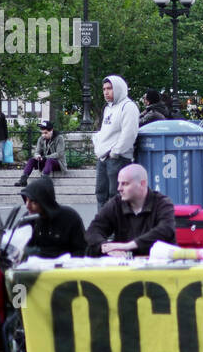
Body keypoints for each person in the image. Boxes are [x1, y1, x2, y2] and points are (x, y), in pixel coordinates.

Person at [86, 163, 176, 256]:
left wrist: (127, 246)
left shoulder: (162, 203)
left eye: (125, 184)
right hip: (123, 266)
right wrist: (106, 248)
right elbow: (93, 230)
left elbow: (166, 230)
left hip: (159, 265)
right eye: (119, 183)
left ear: (142, 183)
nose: (119, 188)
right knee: (91, 250)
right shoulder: (115, 204)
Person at [92, 75, 139, 208]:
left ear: (118, 88)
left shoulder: (128, 107)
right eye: (104, 89)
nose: (106, 92)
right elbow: (104, 132)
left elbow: (129, 133)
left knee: (116, 195)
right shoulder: (108, 108)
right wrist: (98, 146)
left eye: (109, 88)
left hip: (118, 159)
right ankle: (102, 225)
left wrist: (116, 152)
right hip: (103, 158)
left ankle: (117, 227)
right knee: (101, 194)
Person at [18, 176, 86, 259]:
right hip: (35, 268)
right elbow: (17, 251)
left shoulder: (70, 217)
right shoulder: (27, 220)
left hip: (66, 267)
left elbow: (82, 250)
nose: (27, 206)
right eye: (26, 200)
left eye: (33, 202)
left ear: (45, 202)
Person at [15, 120, 67, 186]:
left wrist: (45, 157)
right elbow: (37, 152)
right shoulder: (41, 139)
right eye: (42, 133)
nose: (43, 135)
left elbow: (59, 154)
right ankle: (23, 180)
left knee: (49, 160)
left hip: (58, 163)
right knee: (31, 160)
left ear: (51, 131)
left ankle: (43, 180)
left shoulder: (59, 138)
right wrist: (37, 156)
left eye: (46, 133)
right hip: (45, 163)